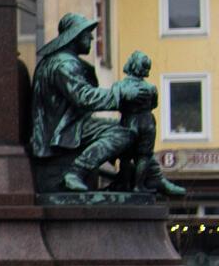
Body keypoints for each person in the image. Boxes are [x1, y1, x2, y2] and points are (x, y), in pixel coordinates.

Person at [31, 13, 139, 192]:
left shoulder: (59, 61)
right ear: (74, 36)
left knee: (129, 128)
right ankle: (75, 173)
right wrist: (120, 94)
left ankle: (125, 178)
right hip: (61, 132)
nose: (91, 37)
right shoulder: (64, 64)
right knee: (123, 134)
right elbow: (84, 97)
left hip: (68, 126)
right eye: (86, 33)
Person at [111, 51, 187, 198]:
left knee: (125, 156)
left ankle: (125, 184)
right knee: (143, 156)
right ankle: (138, 186)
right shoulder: (151, 88)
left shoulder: (120, 85)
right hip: (147, 121)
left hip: (128, 121)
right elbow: (154, 104)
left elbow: (116, 103)